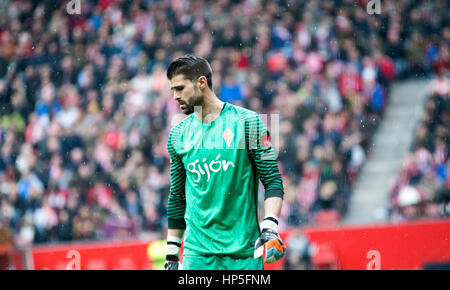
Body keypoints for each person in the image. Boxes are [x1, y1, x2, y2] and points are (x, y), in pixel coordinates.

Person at [164, 55, 286, 270]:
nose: (175, 96)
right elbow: (177, 198)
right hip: (197, 256)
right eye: (173, 89)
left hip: (244, 254)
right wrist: (171, 256)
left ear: (201, 82)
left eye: (180, 88)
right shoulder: (177, 136)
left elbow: (273, 180)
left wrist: (270, 227)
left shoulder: (248, 123)